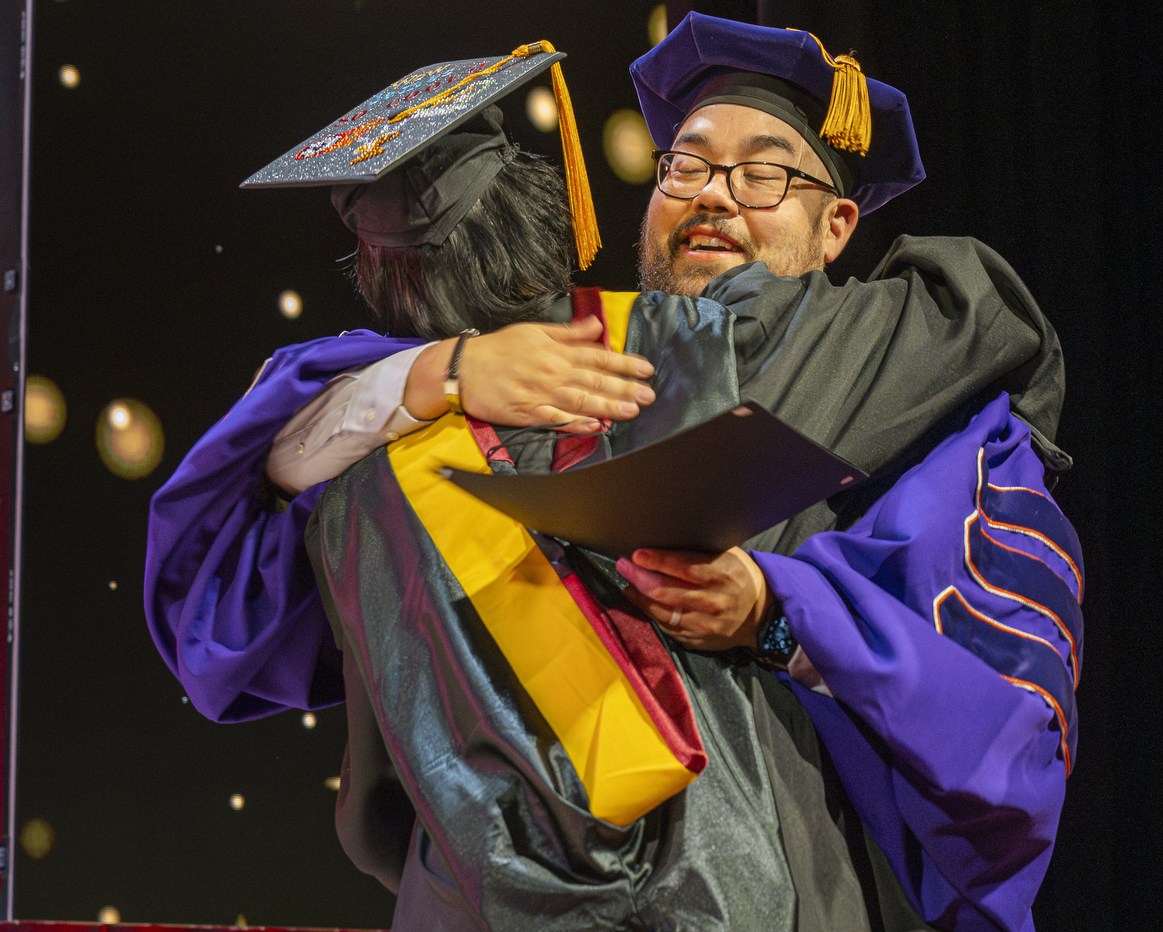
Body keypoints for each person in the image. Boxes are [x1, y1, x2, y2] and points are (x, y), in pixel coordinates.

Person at [146, 17, 1081, 932]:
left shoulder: (913, 370)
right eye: (688, 166)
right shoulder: (555, 354)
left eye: (762, 173)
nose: (715, 195)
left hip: (788, 872)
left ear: (835, 224)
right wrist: (446, 373)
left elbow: (1006, 707)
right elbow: (246, 514)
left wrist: (775, 610)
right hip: (485, 888)